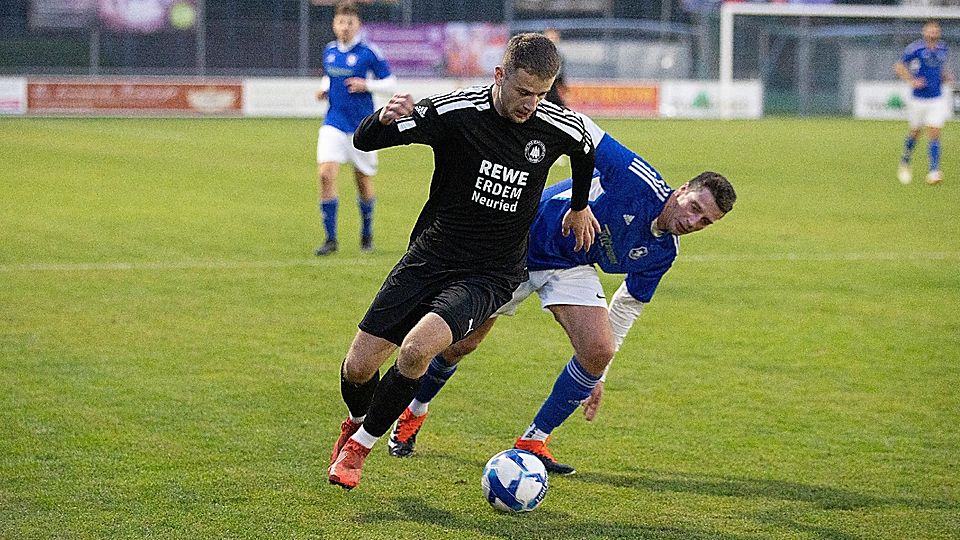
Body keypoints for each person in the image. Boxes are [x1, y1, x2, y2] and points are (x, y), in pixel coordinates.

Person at [386, 115, 737, 475]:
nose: (694, 222)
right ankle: (414, 410)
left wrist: (598, 374)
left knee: (598, 351)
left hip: (569, 264)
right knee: (461, 344)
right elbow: (585, 127)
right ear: (681, 191)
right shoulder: (637, 180)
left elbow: (628, 306)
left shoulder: (664, 252)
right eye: (695, 208)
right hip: (517, 246)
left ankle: (533, 441)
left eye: (706, 222)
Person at [327, 33, 602, 490]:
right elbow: (366, 139)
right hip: (429, 258)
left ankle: (359, 448)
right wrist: (382, 117)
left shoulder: (559, 125)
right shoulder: (454, 112)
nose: (531, 104)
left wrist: (578, 205)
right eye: (522, 91)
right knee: (358, 368)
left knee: (416, 350)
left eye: (541, 93)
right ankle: (357, 421)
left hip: (491, 274)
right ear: (500, 75)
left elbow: (584, 151)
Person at [314, 1, 396, 256]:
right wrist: (324, 87)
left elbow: (391, 83)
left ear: (357, 25)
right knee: (326, 174)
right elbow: (331, 75)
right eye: (340, 22)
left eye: (350, 23)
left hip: (362, 127)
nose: (345, 27)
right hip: (334, 123)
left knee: (362, 182)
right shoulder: (329, 51)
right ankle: (330, 240)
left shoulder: (369, 52)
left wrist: (367, 85)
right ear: (334, 25)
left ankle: (367, 233)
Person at [895, 19, 952, 186]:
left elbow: (939, 68)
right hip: (918, 99)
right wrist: (911, 80)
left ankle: (934, 171)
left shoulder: (943, 48)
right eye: (930, 30)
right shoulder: (916, 48)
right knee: (915, 132)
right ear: (924, 32)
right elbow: (899, 66)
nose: (933, 33)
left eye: (935, 30)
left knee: (934, 131)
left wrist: (945, 76)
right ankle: (905, 159)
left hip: (936, 97)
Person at [543, 28, 568, 108]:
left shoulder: (559, 54)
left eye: (554, 37)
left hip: (552, 83)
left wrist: (562, 85)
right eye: (550, 36)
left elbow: (560, 73)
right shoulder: (541, 53)